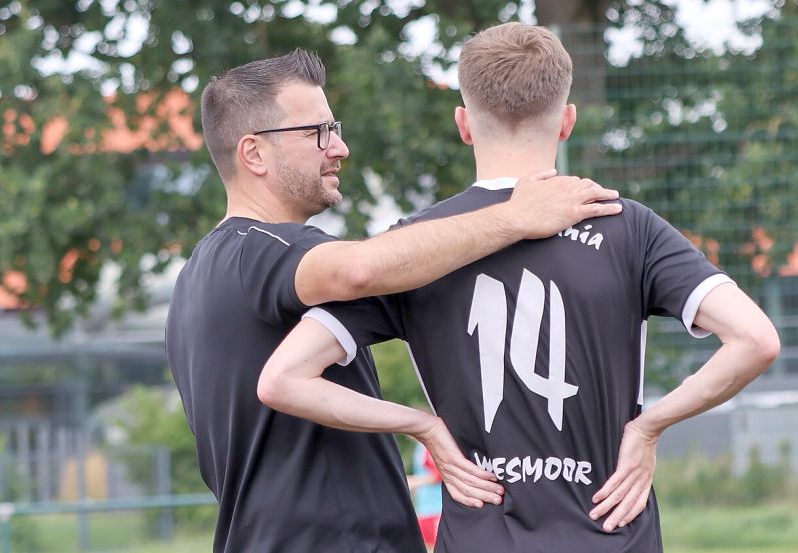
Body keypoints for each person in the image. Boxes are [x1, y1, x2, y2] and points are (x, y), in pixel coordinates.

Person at [258, 23, 781, 553]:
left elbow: (283, 379)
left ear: (464, 124)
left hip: (480, 537)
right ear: (567, 121)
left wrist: (421, 426)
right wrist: (649, 428)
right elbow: (756, 340)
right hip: (613, 532)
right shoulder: (628, 226)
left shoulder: (413, 246)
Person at [165, 48, 623, 553]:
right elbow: (359, 268)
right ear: (253, 153)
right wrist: (515, 217)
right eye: (317, 132)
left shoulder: (195, 278)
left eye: (335, 128)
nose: (339, 147)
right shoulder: (264, 251)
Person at [407, 440, 443, 550]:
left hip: (436, 510)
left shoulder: (428, 444)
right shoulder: (420, 447)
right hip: (425, 510)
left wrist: (412, 482)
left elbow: (439, 474)